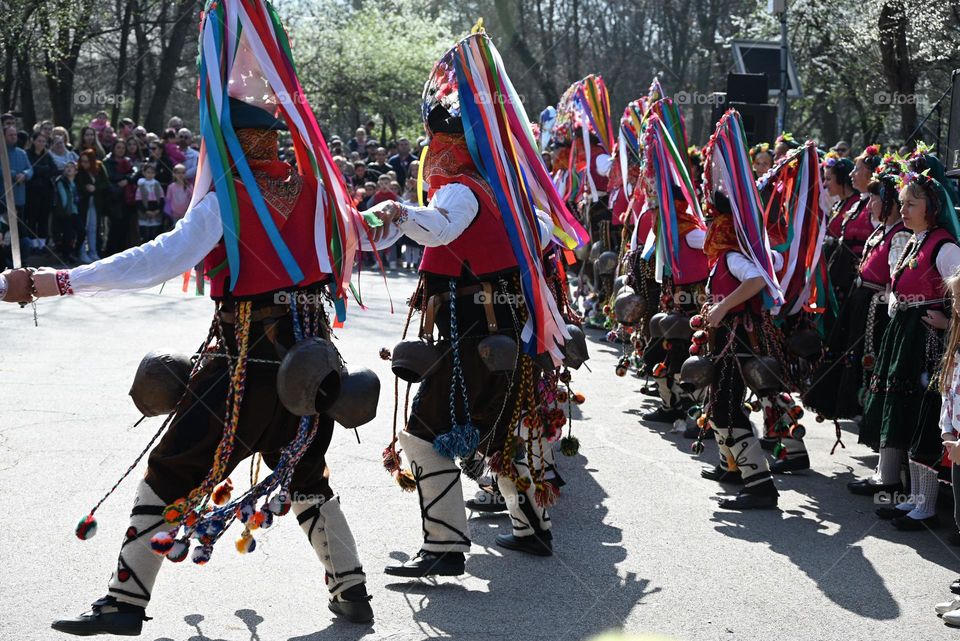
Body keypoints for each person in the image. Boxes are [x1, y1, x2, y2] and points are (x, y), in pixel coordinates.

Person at [1, 2, 378, 634]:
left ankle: (124, 604)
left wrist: (51, 281)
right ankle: (352, 592)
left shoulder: (229, 200)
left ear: (224, 135)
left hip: (247, 364)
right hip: (312, 364)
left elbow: (156, 260)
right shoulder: (318, 190)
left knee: (170, 469)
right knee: (307, 473)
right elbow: (342, 251)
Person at [366, 29, 587, 577]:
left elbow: (439, 230)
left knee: (421, 438)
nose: (428, 151)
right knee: (502, 428)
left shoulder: (460, 189)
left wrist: (401, 210)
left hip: (474, 333)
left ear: (444, 142)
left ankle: (444, 547)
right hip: (505, 330)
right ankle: (531, 530)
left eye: (431, 141)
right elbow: (536, 238)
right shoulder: (502, 190)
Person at [854, 158, 960, 517]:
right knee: (897, 407)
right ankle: (906, 493)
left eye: (911, 203)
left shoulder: (945, 247)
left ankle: (924, 504)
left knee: (920, 414)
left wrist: (947, 324)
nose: (904, 209)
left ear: (932, 206)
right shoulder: (917, 240)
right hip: (905, 332)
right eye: (902, 203)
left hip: (927, 340)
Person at [694, 110, 783, 510]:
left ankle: (760, 484)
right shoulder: (723, 257)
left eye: (714, 220)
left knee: (727, 407)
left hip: (735, 341)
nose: (709, 227)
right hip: (724, 339)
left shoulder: (733, 257)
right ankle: (733, 467)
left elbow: (759, 279)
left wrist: (720, 309)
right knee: (719, 404)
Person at [2, 125, 33, 266]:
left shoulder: (22, 153)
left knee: (20, 234)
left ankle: (21, 262)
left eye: (15, 135)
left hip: (19, 199)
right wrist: (14, 174)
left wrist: (25, 175)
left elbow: (30, 169)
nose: (14, 137)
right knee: (5, 234)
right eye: (10, 135)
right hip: (3, 200)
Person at [24, 131, 58, 253]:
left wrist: (39, 171)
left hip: (46, 192)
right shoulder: (27, 154)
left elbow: (54, 170)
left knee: (43, 217)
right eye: (39, 141)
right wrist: (43, 170)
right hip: (32, 192)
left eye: (44, 141)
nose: (41, 143)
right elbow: (30, 169)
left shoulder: (47, 155)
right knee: (32, 217)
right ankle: (33, 244)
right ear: (33, 141)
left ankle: (42, 245)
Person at [75, 149, 109, 262]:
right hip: (83, 204)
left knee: (93, 228)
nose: (84, 164)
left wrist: (95, 188)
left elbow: (105, 183)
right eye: (82, 161)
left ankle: (93, 252)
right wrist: (86, 189)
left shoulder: (99, 168)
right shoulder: (79, 171)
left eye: (87, 161)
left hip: (96, 203)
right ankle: (82, 252)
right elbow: (78, 187)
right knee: (83, 229)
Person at [52, 161, 81, 261]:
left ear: (76, 171)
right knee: (68, 234)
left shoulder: (77, 183)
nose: (69, 169)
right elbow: (63, 199)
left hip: (74, 212)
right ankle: (67, 254)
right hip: (64, 213)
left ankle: (75, 252)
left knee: (81, 231)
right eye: (67, 167)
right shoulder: (61, 181)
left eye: (72, 167)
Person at [135, 163, 165, 242]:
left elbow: (162, 198)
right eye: (148, 172)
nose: (150, 174)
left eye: (152, 173)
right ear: (144, 173)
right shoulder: (141, 185)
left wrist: (158, 210)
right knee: (145, 235)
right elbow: (138, 200)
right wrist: (145, 211)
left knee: (154, 235)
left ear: (155, 174)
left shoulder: (157, 184)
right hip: (145, 212)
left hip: (156, 211)